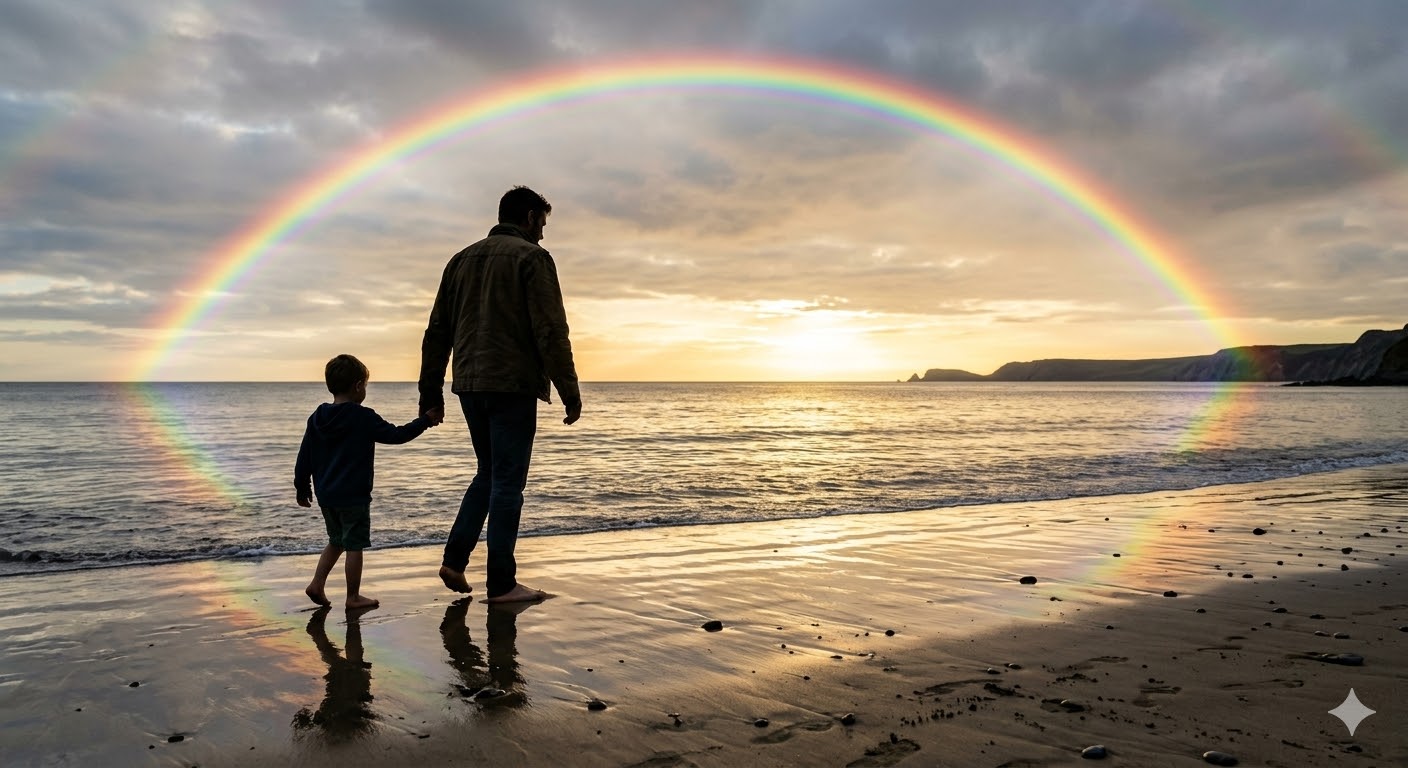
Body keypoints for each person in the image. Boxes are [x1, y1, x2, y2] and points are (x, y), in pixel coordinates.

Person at [418, 185, 581, 604]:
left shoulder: (459, 260)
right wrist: (569, 389)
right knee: (507, 484)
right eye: (542, 223)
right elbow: (550, 330)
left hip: (469, 383)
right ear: (528, 217)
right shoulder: (533, 258)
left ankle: (455, 560)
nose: (543, 234)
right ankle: (502, 584)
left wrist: (430, 393)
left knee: (488, 474)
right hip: (512, 384)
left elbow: (437, 332)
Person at [296, 354, 439, 609]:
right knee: (354, 545)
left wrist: (302, 486)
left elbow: (305, 454)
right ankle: (353, 597)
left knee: (336, 539)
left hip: (326, 495)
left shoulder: (317, 417)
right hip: (353, 496)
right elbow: (396, 435)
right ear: (359, 386)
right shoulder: (362, 417)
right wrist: (425, 421)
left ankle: (317, 584)